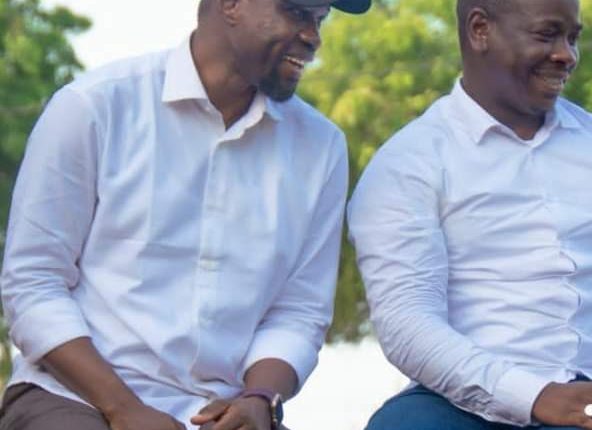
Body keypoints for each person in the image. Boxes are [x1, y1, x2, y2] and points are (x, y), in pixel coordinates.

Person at [347, 0, 592, 429]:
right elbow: (407, 322)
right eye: (547, 35)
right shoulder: (408, 162)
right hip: (454, 406)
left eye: (573, 38)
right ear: (480, 29)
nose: (567, 55)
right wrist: (535, 396)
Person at [0, 0, 370, 429]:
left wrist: (259, 399)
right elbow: (33, 283)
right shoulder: (94, 107)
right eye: (298, 13)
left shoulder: (321, 147)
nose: (313, 37)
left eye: (320, 19)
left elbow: (299, 311)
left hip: (221, 411)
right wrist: (124, 409)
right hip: (75, 398)